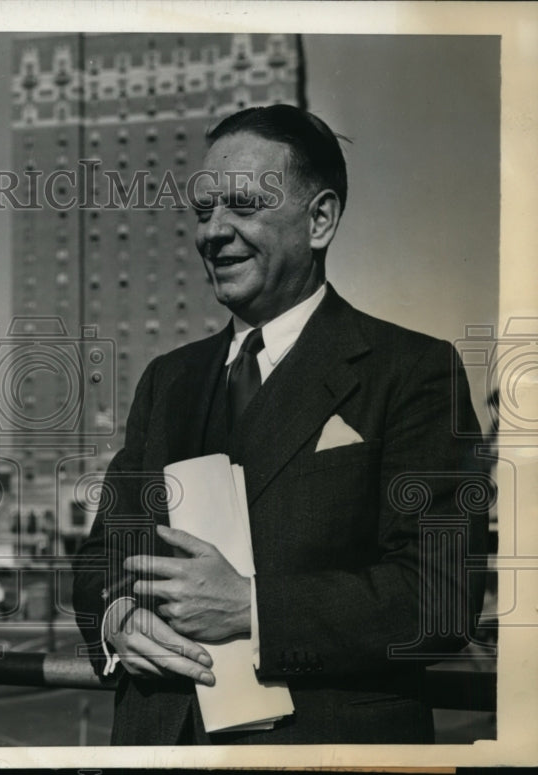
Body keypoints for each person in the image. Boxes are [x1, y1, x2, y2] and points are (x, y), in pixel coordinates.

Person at [72, 104, 488, 745]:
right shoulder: (167, 381)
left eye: (242, 205)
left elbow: (439, 594)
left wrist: (252, 608)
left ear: (319, 220)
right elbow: (103, 555)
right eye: (204, 211)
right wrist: (117, 616)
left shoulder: (413, 371)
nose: (214, 231)